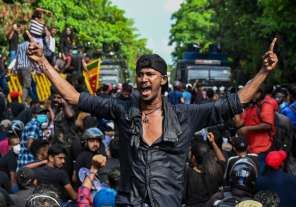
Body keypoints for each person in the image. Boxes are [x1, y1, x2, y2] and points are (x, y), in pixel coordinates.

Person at [27, 37, 278, 207]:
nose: (144, 80)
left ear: (163, 80)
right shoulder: (122, 110)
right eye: (140, 75)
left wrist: (264, 71)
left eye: (150, 75)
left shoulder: (185, 116)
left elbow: (235, 102)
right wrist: (44, 63)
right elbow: (73, 96)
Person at [236, 87, 275, 175]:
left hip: (261, 148)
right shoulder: (251, 106)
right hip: (250, 148)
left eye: (253, 92)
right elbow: (239, 123)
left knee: (258, 175)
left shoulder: (266, 105)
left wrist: (247, 128)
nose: (250, 94)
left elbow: (268, 125)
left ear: (259, 93)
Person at [183, 133, 225, 207]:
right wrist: (213, 143)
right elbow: (222, 161)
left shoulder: (188, 172)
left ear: (193, 158)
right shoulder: (216, 170)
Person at [15, 33, 32, 103]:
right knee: (26, 86)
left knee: (23, 85)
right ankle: (23, 102)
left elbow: (17, 57)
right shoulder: (30, 45)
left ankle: (26, 100)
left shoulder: (19, 45)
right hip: (26, 66)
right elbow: (32, 57)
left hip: (19, 67)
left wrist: (15, 68)